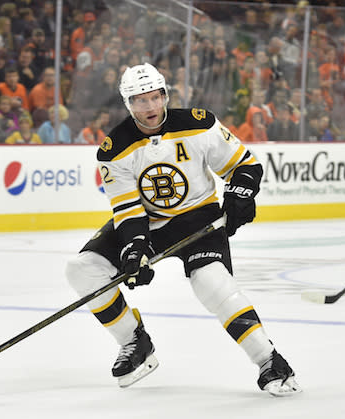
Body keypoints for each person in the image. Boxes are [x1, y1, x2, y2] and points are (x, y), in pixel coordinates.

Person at [65, 63, 300, 396]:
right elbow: (128, 209)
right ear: (127, 104)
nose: (148, 107)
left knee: (212, 283)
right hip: (148, 222)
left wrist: (240, 192)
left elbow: (244, 165)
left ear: (165, 95)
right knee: (81, 269)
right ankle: (135, 341)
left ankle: (269, 360)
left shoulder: (198, 124)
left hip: (199, 218)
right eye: (139, 101)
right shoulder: (113, 148)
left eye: (154, 98)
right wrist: (135, 249)